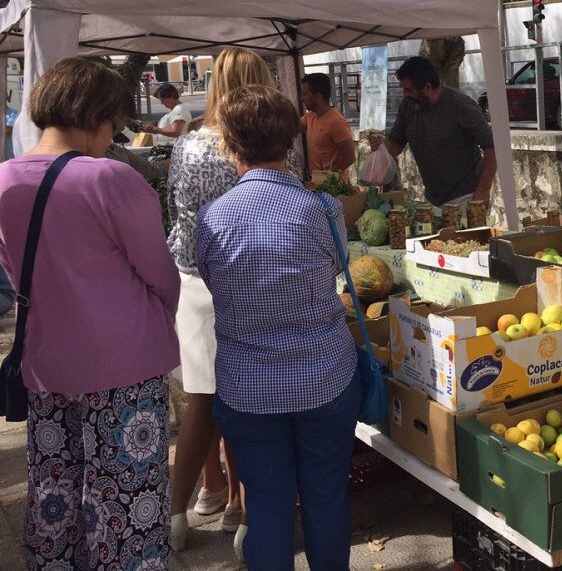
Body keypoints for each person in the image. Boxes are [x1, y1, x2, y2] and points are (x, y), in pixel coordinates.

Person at [0, 58, 180, 569]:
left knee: (55, 492)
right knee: (124, 503)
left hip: (45, 362)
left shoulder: (3, 179)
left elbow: (14, 274)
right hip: (124, 365)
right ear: (97, 116)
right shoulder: (109, 180)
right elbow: (161, 275)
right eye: (113, 126)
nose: (112, 137)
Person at [197, 84, 361, 571]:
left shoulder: (213, 219)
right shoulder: (322, 210)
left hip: (247, 390)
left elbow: (213, 282)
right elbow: (338, 267)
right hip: (325, 380)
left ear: (230, 146)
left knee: (266, 508)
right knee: (326, 499)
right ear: (292, 140)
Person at [167, 48, 302, 556]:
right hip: (245, 282)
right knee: (250, 401)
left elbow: (179, 214)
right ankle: (244, 516)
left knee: (201, 402)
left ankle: (182, 511)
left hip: (192, 281)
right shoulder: (243, 148)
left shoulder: (187, 144)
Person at [369, 56, 496, 214]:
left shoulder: (460, 105)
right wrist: (381, 146)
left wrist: (483, 189)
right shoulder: (407, 107)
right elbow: (395, 144)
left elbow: (492, 147)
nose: (405, 94)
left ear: (427, 87)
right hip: (433, 201)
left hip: (467, 197)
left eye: (409, 90)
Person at [300, 72, 356, 176]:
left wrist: (327, 175)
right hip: (317, 184)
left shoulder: (336, 122)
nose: (301, 99)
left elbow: (349, 158)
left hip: (333, 188)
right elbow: (291, 127)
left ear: (317, 96)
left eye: (305, 94)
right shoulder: (310, 116)